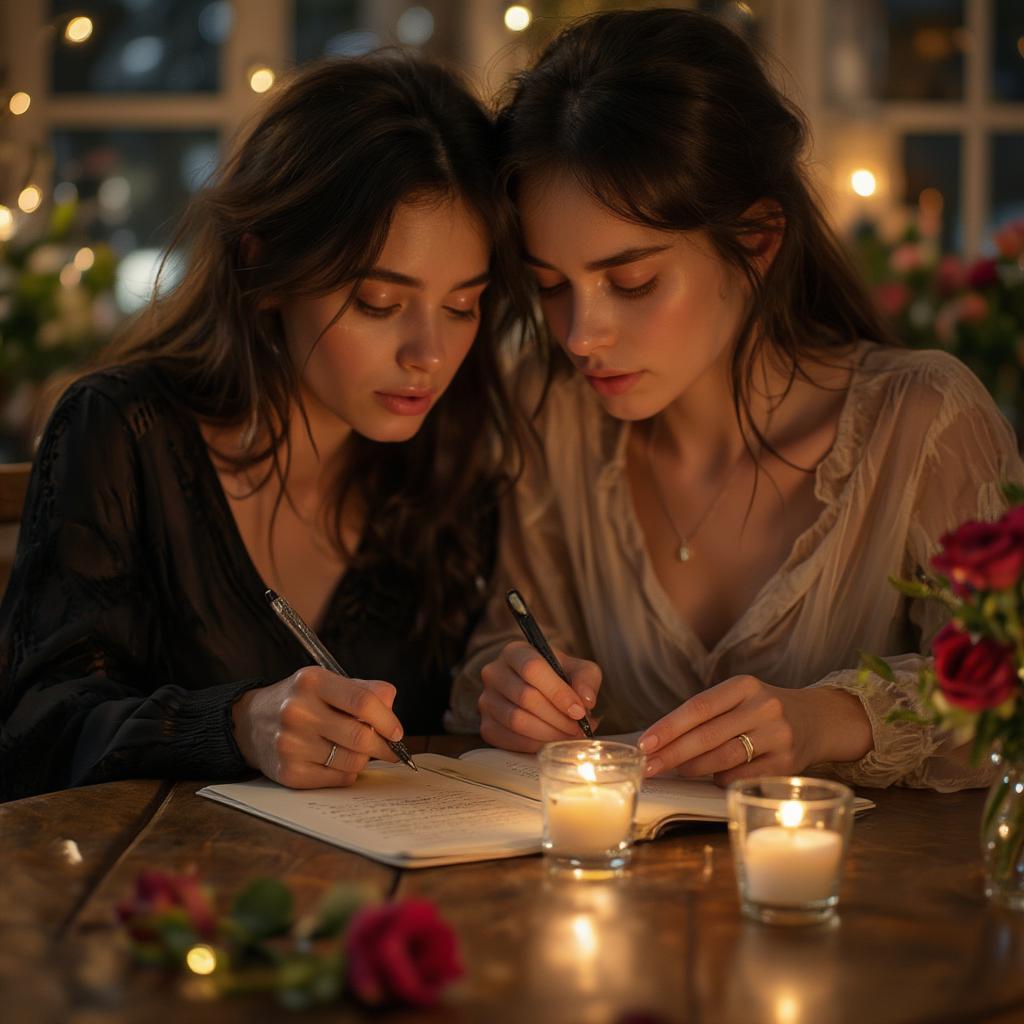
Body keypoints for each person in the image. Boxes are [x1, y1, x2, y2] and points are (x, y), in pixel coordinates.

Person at [448, 8, 1024, 790]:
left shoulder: (922, 420)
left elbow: (1007, 691)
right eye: (550, 286)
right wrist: (508, 686)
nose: (581, 335)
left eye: (633, 282)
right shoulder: (552, 414)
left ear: (756, 242)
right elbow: (505, 639)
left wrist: (828, 718)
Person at [0, 54, 525, 800]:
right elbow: (33, 737)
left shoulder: (448, 461)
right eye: (379, 301)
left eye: (464, 305)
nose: (429, 355)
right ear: (266, 266)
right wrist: (238, 722)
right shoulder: (123, 433)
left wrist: (510, 697)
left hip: (384, 904)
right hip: (155, 907)